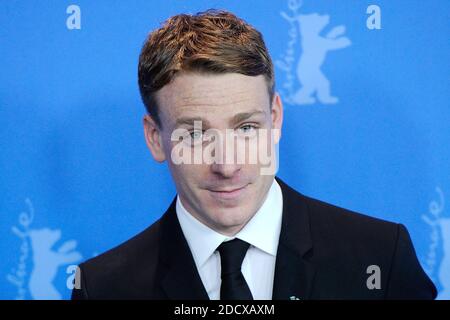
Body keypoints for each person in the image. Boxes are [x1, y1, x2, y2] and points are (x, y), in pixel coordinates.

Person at [71, 9, 436, 300]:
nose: (227, 165)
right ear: (155, 138)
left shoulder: (379, 259)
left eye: (246, 128)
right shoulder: (102, 288)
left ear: (275, 119)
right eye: (196, 134)